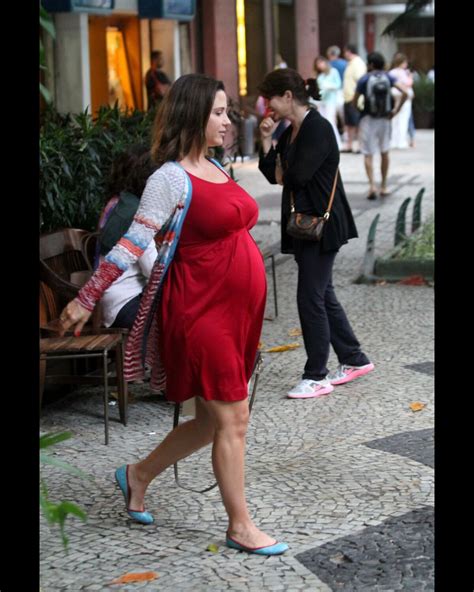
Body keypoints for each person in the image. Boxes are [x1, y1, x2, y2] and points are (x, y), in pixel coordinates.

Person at [58, 73, 288, 556]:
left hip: (235, 313)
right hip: (199, 311)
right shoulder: (170, 177)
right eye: (219, 112)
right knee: (234, 419)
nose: (228, 121)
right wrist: (85, 298)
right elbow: (130, 245)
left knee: (209, 422)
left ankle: (137, 475)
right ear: (193, 115)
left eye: (227, 112)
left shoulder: (217, 167)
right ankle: (240, 526)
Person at [257, 68, 374, 399]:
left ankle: (316, 375)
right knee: (322, 294)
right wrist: (267, 141)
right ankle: (353, 358)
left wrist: (281, 167)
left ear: (289, 96)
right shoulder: (292, 130)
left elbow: (294, 177)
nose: (268, 109)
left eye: (271, 101)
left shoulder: (317, 128)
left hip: (322, 225)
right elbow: (274, 176)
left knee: (309, 297)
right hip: (307, 225)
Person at [96, 145, 158, 329]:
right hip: (125, 305)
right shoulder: (139, 216)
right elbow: (155, 272)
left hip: (114, 302)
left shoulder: (125, 204)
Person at [353, 52, 408, 199]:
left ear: (370, 64)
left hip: (368, 119)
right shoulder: (388, 77)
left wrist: (360, 110)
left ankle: (372, 186)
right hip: (384, 119)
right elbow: (405, 93)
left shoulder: (364, 79)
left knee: (368, 154)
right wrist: (395, 110)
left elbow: (354, 100)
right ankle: (383, 186)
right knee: (384, 152)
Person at [341, 44, 367, 153]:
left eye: (345, 51)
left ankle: (360, 146)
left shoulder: (358, 64)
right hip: (347, 98)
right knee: (350, 124)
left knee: (358, 123)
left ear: (348, 51)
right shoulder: (350, 64)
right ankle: (349, 145)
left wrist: (357, 98)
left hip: (354, 98)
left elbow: (360, 81)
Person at [313, 55, 342, 148]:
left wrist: (328, 86)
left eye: (320, 63)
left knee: (331, 121)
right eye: (317, 64)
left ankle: (336, 143)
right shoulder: (320, 76)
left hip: (331, 101)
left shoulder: (333, 72)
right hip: (321, 101)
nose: (319, 66)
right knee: (322, 122)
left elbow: (338, 85)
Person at [389, 53, 414, 150]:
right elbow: (408, 83)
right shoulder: (402, 72)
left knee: (395, 120)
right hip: (404, 99)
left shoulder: (391, 72)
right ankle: (401, 141)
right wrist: (410, 76)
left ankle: (394, 141)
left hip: (395, 99)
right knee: (403, 120)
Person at [326, 45, 347, 136]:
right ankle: (346, 134)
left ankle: (335, 134)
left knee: (332, 115)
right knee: (343, 115)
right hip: (343, 91)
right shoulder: (345, 63)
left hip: (331, 93)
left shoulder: (328, 65)